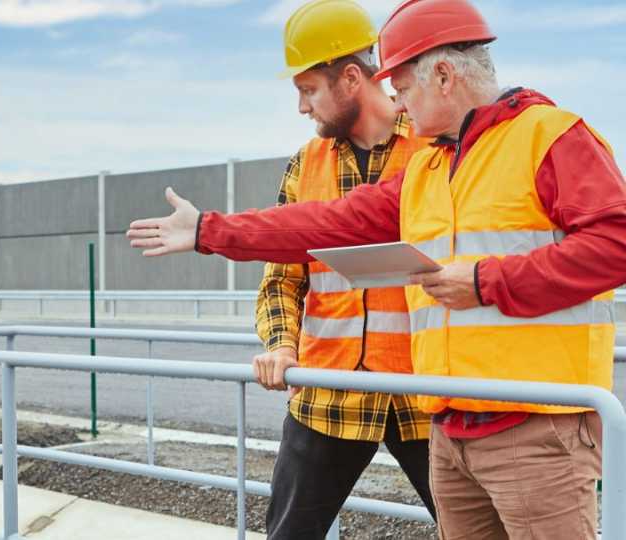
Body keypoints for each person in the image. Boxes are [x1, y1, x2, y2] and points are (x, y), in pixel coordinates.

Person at [127, 0, 626, 536]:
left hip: (533, 426)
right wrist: (207, 231)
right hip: (449, 427)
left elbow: (616, 242)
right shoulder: (430, 168)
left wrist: (486, 282)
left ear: (442, 74)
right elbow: (323, 223)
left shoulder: (547, 136)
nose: (399, 103)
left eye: (404, 88)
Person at [252, 1, 434, 537]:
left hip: (426, 393)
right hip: (328, 393)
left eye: (309, 90)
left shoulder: (436, 149)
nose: (302, 108)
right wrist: (282, 345)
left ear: (351, 77)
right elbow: (281, 277)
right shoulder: (305, 165)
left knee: (473, 532)